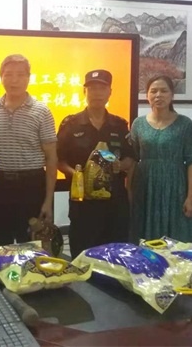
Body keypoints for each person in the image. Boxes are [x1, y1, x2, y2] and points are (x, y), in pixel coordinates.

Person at [57, 69, 136, 258]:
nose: (97, 93)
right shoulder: (71, 124)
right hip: (83, 203)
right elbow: (58, 160)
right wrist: (76, 174)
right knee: (83, 256)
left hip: (115, 202)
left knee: (116, 256)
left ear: (110, 92)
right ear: (84, 92)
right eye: (92, 89)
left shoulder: (119, 125)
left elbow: (131, 157)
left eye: (102, 88)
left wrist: (120, 165)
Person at [0, 54, 58, 245]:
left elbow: (51, 158)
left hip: (31, 186)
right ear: (1, 77)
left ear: (28, 78)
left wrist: (48, 200)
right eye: (8, 74)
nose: (14, 80)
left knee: (32, 246)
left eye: (20, 75)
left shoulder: (42, 111)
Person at [130, 75, 192, 242]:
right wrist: (129, 192)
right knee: (143, 235)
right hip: (145, 186)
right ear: (147, 95)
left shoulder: (185, 124)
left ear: (172, 95)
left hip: (175, 187)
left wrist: (191, 197)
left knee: (177, 236)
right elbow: (132, 159)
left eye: (163, 91)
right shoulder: (138, 124)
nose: (158, 95)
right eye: (153, 91)